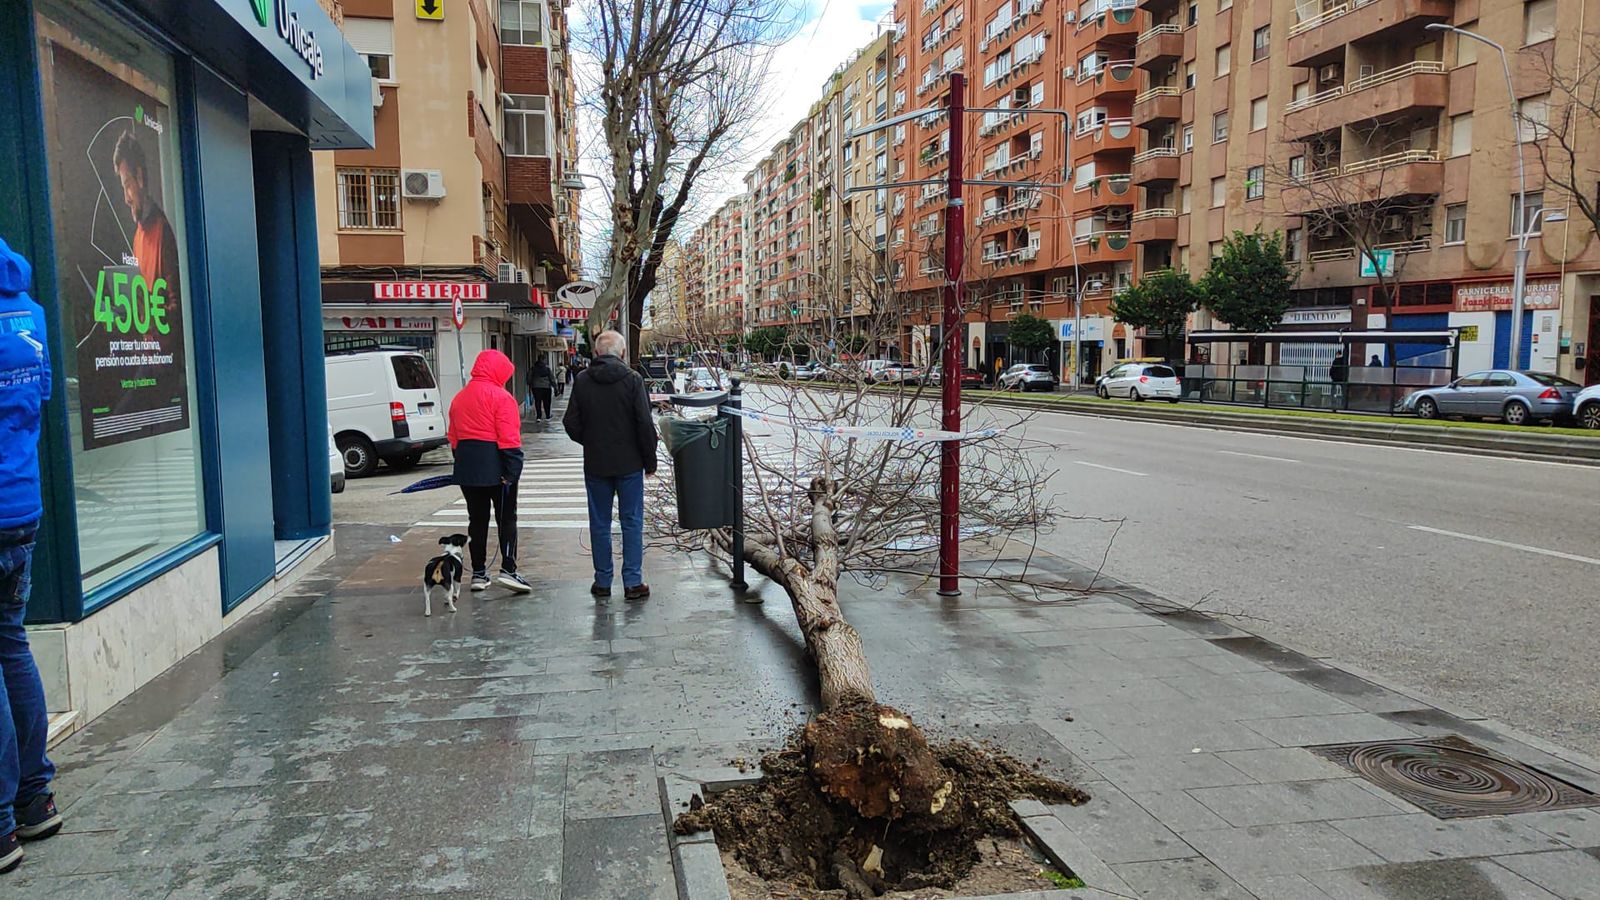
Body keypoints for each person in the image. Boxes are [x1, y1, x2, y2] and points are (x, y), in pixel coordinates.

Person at [0, 237, 65, 875]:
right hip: (22, 502)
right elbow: (39, 398)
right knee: (11, 644)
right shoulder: (29, 313)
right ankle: (33, 796)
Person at [563, 330, 657, 601]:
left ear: (596, 353)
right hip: (629, 464)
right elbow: (644, 423)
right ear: (623, 353)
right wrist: (649, 461)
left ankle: (603, 581)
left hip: (596, 464)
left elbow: (571, 422)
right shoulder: (632, 379)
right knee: (631, 522)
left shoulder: (582, 380)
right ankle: (632, 583)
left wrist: (591, 441)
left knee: (600, 523)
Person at [447, 349, 531, 593]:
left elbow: (453, 438)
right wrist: (512, 471)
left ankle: (479, 573)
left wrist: (463, 461)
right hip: (497, 465)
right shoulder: (502, 398)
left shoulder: (459, 398)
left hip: (468, 466)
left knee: (477, 520)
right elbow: (509, 439)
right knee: (506, 519)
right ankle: (508, 569)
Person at [114, 130, 181, 302]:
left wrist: (145, 310)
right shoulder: (138, 236)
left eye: (128, 185)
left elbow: (177, 311)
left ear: (140, 177)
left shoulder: (163, 231)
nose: (126, 199)